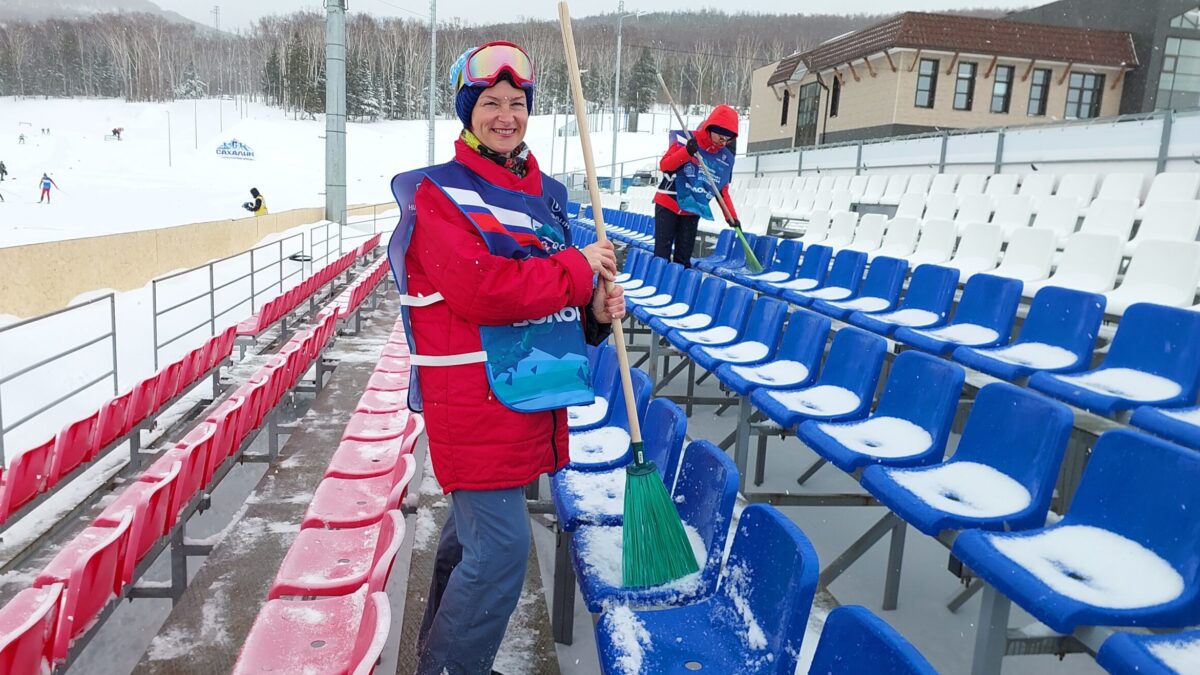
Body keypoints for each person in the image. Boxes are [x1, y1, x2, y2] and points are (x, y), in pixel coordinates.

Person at [387, 40, 625, 675]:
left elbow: (549, 300)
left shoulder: (547, 196)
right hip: (472, 399)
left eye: (516, 103)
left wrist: (593, 317)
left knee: (470, 541)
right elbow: (483, 291)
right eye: (490, 102)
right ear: (468, 111)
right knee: (499, 551)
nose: (505, 115)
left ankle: (439, 654)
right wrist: (575, 268)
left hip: (527, 393)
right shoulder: (440, 194)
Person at [652, 105, 741, 267]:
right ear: (710, 128)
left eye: (727, 139)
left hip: (693, 208)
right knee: (661, 256)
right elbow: (665, 165)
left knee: (683, 258)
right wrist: (686, 152)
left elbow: (721, 189)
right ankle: (659, 287)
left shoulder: (725, 157)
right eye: (719, 137)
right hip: (668, 202)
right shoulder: (687, 138)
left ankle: (677, 289)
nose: (723, 142)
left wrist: (731, 216)